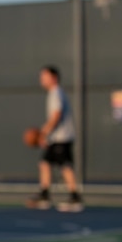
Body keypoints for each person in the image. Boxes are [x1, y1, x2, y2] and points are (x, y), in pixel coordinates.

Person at [26, 65, 83, 212]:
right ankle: (45, 195)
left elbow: (56, 116)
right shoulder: (54, 93)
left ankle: (75, 197)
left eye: (44, 76)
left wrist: (43, 133)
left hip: (62, 137)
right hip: (56, 137)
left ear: (54, 77)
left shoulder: (56, 92)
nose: (41, 79)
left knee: (65, 166)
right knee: (45, 163)